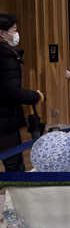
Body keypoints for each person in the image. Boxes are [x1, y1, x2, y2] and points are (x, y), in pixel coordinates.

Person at [0, 13, 44, 171]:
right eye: (14, 30)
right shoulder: (6, 56)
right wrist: (34, 96)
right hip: (5, 118)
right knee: (14, 164)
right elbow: (10, 91)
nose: (16, 34)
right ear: (2, 33)